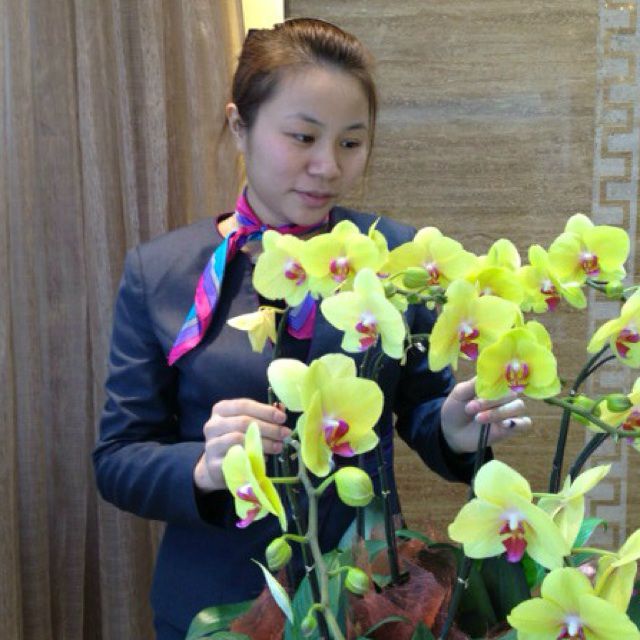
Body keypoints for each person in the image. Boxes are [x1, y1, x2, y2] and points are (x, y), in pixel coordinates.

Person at [93, 18, 530, 639]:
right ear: (240, 126)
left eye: (351, 142)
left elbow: (422, 408)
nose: (327, 166)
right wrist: (204, 468)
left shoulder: (392, 257)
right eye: (303, 137)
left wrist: (456, 431)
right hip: (219, 601)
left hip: (369, 598)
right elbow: (117, 458)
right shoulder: (161, 273)